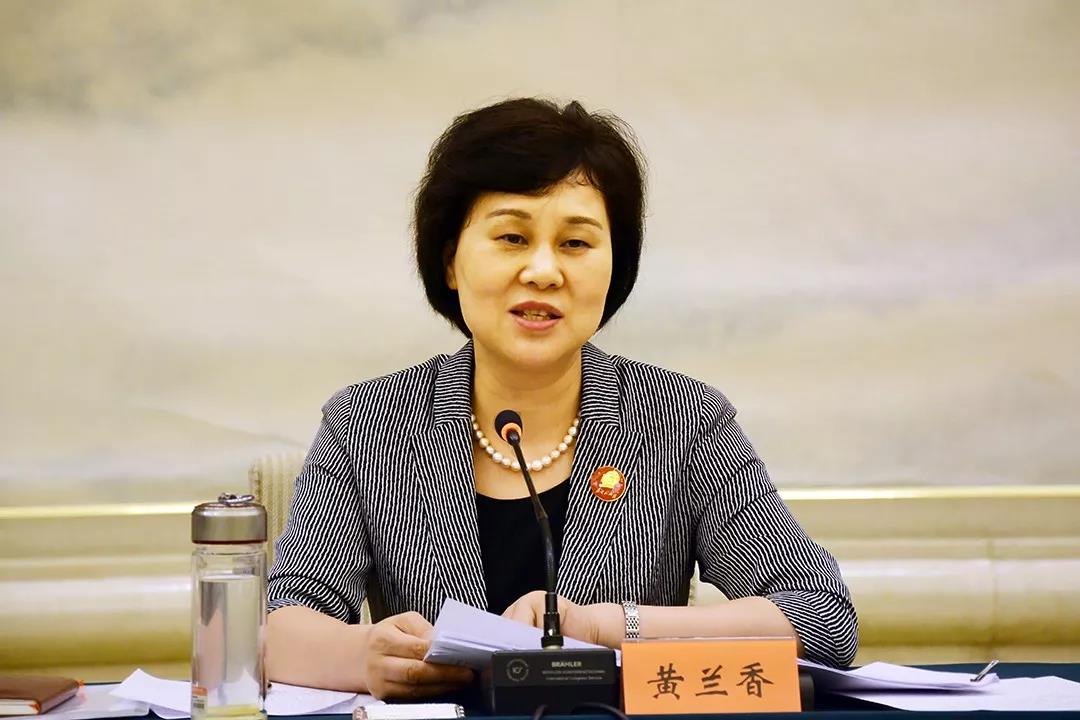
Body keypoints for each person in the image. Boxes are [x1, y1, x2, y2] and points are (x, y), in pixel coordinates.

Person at [266, 98, 858, 699]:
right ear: (450, 262)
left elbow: (822, 620)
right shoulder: (369, 420)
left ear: (614, 267)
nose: (544, 271)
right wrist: (365, 657)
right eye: (512, 237)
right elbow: (278, 628)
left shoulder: (682, 417)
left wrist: (604, 628)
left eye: (575, 244)